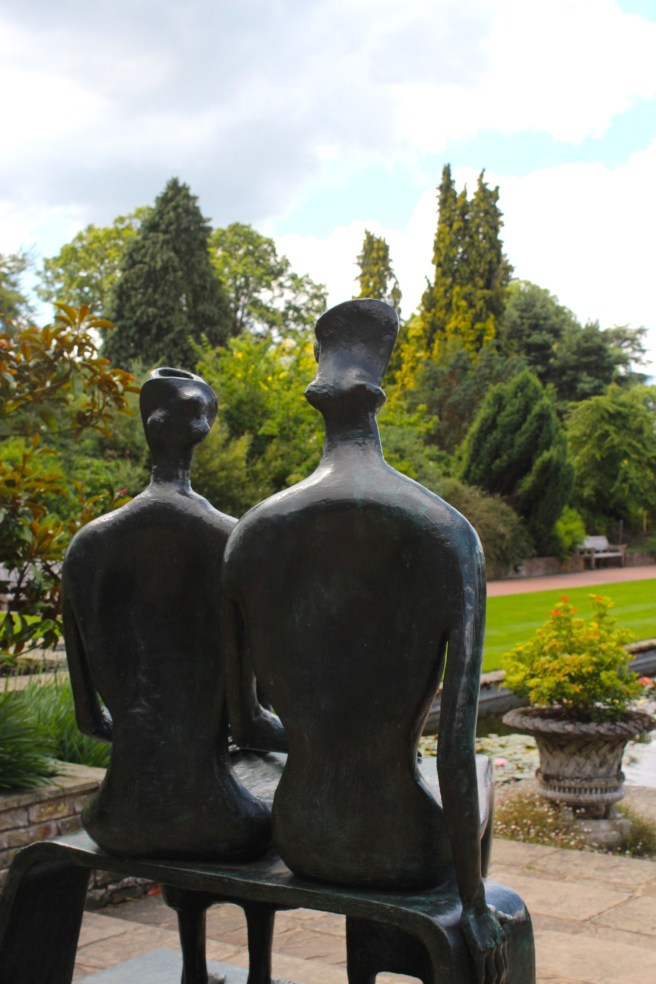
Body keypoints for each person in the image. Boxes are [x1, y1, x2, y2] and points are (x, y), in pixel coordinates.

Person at [222, 300, 508, 981]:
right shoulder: (445, 532)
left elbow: (246, 725)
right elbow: (456, 749)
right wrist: (474, 904)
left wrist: (330, 747)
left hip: (302, 836)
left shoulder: (252, 536)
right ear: (380, 392)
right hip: (405, 849)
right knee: (482, 774)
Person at [63, 367, 284, 862]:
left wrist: (152, 739)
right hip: (218, 821)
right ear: (202, 430)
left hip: (115, 819)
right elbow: (251, 726)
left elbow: (90, 721)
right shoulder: (231, 541)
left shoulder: (87, 547)